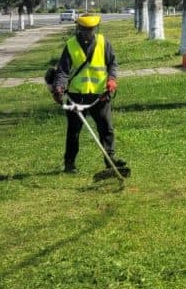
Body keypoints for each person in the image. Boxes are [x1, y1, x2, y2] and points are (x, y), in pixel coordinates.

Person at [50, 13, 128, 175]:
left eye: (91, 29)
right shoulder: (71, 45)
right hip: (76, 96)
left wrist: (112, 79)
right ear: (78, 28)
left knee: (106, 128)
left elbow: (112, 64)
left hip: (100, 95)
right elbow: (63, 71)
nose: (88, 32)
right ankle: (70, 163)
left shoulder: (103, 42)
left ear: (96, 28)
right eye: (85, 29)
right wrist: (59, 87)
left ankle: (110, 160)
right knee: (74, 131)